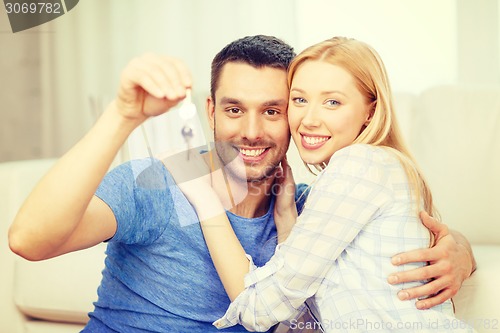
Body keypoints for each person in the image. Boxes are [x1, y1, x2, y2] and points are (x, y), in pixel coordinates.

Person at [7, 35, 474, 332]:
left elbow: (396, 237)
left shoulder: (310, 209)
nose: (251, 130)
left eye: (272, 110)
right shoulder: (156, 183)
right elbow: (30, 240)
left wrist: (460, 251)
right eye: (234, 109)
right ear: (211, 111)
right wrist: (124, 114)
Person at [180, 36, 476, 332]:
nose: (309, 119)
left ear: (370, 111)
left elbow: (259, 310)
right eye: (299, 100)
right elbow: (298, 317)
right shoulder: (372, 171)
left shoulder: (357, 165)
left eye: (332, 102)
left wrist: (206, 200)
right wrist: (287, 221)